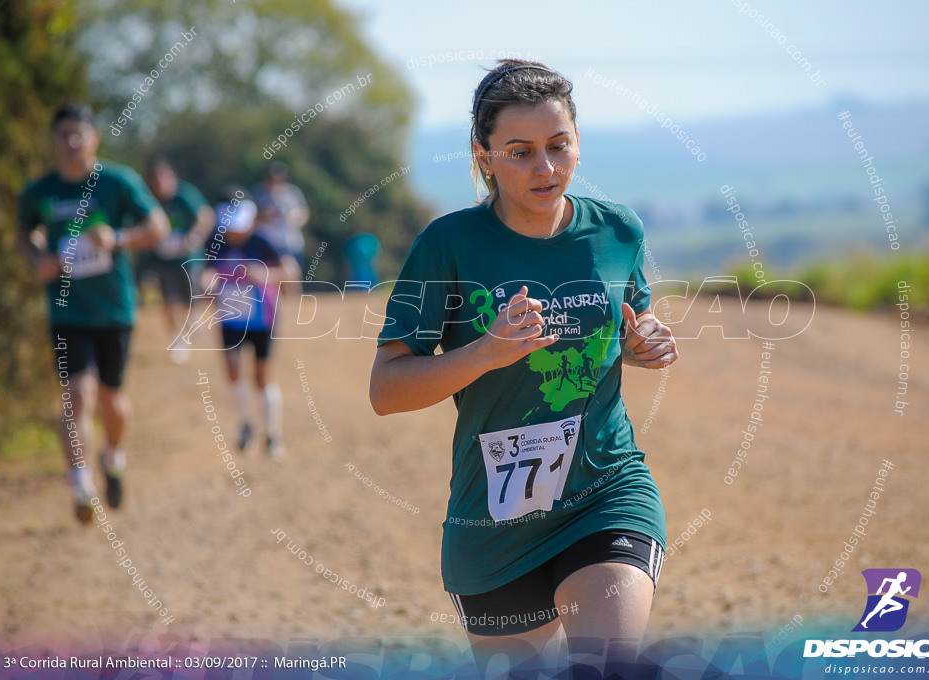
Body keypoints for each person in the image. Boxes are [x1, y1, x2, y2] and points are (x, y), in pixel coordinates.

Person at [369, 61, 679, 677]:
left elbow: (633, 320)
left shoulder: (617, 230)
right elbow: (386, 390)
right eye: (520, 152)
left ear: (577, 144)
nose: (545, 168)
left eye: (558, 147)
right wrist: (484, 351)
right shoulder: (448, 245)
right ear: (484, 157)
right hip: (494, 522)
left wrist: (645, 343)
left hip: (605, 492)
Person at [16, 102, 170, 523]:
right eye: (63, 135)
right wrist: (38, 259)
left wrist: (118, 237)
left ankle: (114, 456)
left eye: (77, 134)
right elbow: (24, 233)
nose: (70, 143)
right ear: (54, 141)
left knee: (111, 400)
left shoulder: (118, 182)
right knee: (76, 396)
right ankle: (81, 486)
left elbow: (158, 226)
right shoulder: (40, 190)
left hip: (115, 309)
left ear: (93, 138)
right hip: (66, 310)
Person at [202, 187, 298, 458]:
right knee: (232, 372)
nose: (235, 233)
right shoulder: (216, 241)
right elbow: (208, 272)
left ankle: (272, 434)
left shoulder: (264, 241)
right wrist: (207, 283)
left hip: (262, 319)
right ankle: (245, 423)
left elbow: (291, 272)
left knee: (261, 378)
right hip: (230, 318)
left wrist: (265, 274)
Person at [140, 155, 215, 364]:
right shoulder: (147, 199)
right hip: (164, 261)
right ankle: (177, 338)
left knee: (193, 295)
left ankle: (192, 317)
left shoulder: (185, 194)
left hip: (188, 258)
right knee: (169, 300)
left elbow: (206, 216)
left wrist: (195, 236)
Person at [252, 162, 307, 293]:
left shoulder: (292, 192)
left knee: (294, 277)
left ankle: (295, 306)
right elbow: (250, 216)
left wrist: (297, 219)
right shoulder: (258, 193)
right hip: (269, 243)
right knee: (275, 279)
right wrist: (264, 216)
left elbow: (304, 212)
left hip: (291, 241)